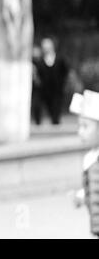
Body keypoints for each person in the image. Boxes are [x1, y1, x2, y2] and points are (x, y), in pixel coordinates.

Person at [69, 90, 99, 237]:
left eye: (86, 127)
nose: (80, 132)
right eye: (79, 126)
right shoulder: (90, 158)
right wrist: (82, 195)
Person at [35, 38, 69, 125]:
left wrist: (62, 82)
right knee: (44, 106)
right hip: (45, 90)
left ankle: (56, 125)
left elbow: (65, 71)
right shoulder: (40, 61)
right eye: (44, 47)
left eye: (48, 47)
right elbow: (38, 73)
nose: (46, 49)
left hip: (57, 90)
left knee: (56, 110)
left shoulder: (60, 58)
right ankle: (39, 123)